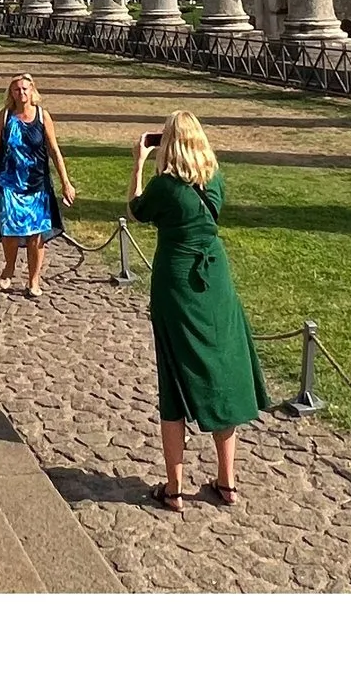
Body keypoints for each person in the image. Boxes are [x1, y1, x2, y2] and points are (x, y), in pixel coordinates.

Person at [129, 110, 268, 510]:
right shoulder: (216, 180)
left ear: (169, 142)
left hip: (177, 282)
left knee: (173, 379)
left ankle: (173, 488)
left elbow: (137, 210)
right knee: (220, 368)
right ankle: (227, 481)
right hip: (215, 280)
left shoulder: (166, 187)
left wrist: (138, 163)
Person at [0, 73, 74, 296]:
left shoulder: (42, 116)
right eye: (16, 89)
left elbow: (54, 151)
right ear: (10, 93)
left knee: (36, 234)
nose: (21, 93)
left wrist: (65, 182)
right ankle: (10, 266)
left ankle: (34, 279)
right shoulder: (5, 117)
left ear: (32, 91)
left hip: (37, 183)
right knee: (10, 232)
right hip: (8, 182)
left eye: (25, 89)